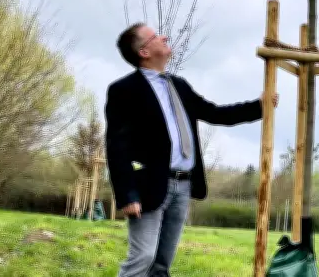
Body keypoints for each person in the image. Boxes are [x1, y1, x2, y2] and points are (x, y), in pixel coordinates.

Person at [105, 22, 278, 276]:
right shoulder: (124, 90)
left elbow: (214, 113)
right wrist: (127, 194)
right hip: (150, 186)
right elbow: (116, 146)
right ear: (144, 52)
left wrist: (258, 106)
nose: (164, 37)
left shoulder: (179, 86)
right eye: (155, 36)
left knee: (162, 264)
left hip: (183, 185)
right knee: (143, 256)